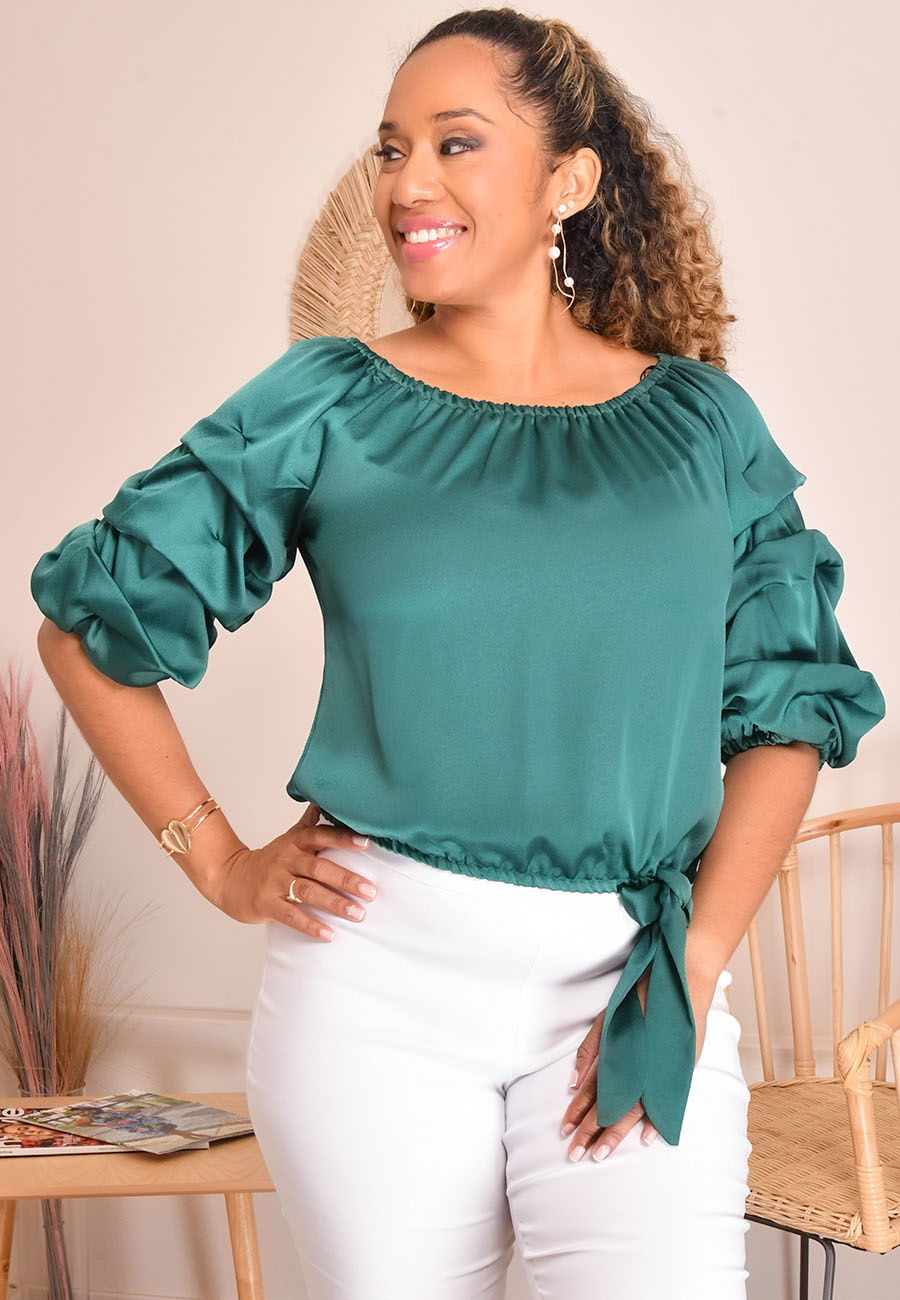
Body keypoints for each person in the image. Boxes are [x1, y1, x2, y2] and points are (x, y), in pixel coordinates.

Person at [30, 9, 886, 1300]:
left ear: (569, 181)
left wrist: (695, 963)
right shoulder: (327, 401)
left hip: (634, 971)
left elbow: (790, 712)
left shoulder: (703, 425)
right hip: (375, 991)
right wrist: (218, 859)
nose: (407, 184)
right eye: (391, 149)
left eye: (455, 143)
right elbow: (90, 629)